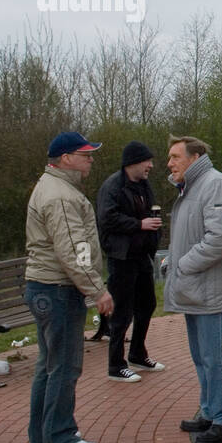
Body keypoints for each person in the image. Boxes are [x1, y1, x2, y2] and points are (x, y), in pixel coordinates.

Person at [24, 131, 114, 443]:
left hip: (47, 288)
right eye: (85, 155)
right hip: (58, 290)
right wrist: (98, 291)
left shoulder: (55, 188)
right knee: (64, 365)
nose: (91, 160)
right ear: (66, 159)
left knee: (49, 364)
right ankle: (60, 437)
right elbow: (73, 252)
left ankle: (42, 435)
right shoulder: (61, 195)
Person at [164, 136, 222, 443]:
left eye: (175, 157)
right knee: (201, 355)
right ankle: (210, 411)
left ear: (195, 156)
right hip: (194, 288)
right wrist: (174, 263)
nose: (169, 164)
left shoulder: (215, 184)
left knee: (216, 357)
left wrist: (182, 264)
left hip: (210, 289)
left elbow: (221, 238)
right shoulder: (191, 187)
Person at [95, 140, 165, 382]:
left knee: (147, 305)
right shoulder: (112, 186)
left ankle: (137, 353)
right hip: (121, 257)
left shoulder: (144, 185)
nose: (151, 165)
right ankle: (115, 365)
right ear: (133, 162)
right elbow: (107, 218)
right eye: (147, 161)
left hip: (141, 256)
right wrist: (139, 225)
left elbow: (150, 212)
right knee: (122, 312)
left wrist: (153, 230)